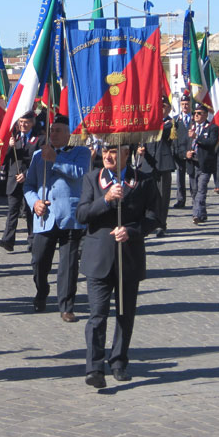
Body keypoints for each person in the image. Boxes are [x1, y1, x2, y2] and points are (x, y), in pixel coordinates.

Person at [75, 142, 159, 389]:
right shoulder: (92, 179)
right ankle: (94, 367)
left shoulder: (143, 180)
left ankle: (119, 361)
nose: (107, 156)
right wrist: (107, 200)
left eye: (113, 151)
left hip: (128, 257)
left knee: (125, 315)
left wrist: (132, 231)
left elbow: (154, 218)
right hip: (98, 257)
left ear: (126, 153)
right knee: (97, 315)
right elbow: (81, 214)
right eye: (105, 151)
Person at [24, 114, 90, 320]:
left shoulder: (81, 152)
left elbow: (79, 172)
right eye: (51, 130)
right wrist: (34, 202)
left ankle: (66, 306)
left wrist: (56, 159)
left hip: (70, 216)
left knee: (69, 265)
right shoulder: (38, 155)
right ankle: (42, 291)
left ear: (69, 133)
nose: (53, 133)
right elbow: (29, 185)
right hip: (44, 218)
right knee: (39, 261)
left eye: (58, 130)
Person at [0, 111, 44, 252]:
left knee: (31, 212)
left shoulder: (39, 139)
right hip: (14, 180)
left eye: (27, 122)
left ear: (32, 123)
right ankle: (8, 239)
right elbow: (2, 159)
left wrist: (26, 174)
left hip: (31, 180)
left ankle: (33, 240)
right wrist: (9, 147)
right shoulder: (13, 137)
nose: (23, 124)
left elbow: (40, 161)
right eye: (21, 122)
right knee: (12, 210)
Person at [138, 95, 175, 237]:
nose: (161, 109)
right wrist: (140, 148)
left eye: (164, 106)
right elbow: (142, 138)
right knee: (146, 195)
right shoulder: (149, 122)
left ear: (169, 109)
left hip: (162, 164)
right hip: (148, 163)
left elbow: (163, 134)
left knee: (162, 196)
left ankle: (161, 223)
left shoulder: (171, 123)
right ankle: (148, 222)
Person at [186, 103, 219, 225]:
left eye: (199, 113)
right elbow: (184, 144)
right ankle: (203, 213)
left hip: (204, 164)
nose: (196, 115)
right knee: (194, 191)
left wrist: (197, 137)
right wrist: (186, 153)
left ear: (205, 115)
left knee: (201, 190)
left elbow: (211, 142)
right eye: (195, 113)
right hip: (192, 164)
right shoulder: (191, 128)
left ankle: (196, 214)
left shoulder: (212, 128)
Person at [172, 93, 193, 209]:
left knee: (192, 178)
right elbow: (173, 138)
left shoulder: (195, 119)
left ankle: (194, 198)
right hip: (179, 152)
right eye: (183, 104)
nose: (185, 106)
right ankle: (181, 199)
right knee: (180, 178)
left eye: (187, 104)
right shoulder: (175, 120)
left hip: (191, 153)